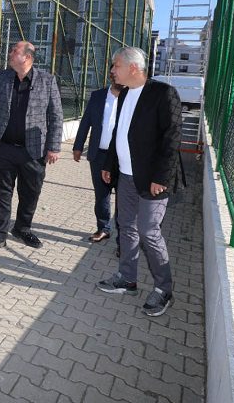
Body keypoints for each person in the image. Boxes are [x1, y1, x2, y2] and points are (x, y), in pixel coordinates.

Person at [97, 47, 182, 317]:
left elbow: (172, 138)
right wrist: (110, 165)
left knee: (149, 232)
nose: (112, 70)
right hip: (126, 176)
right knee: (126, 227)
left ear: (133, 68)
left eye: (116, 66)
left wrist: (161, 177)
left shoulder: (163, 93)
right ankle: (127, 278)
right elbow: (118, 134)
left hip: (152, 180)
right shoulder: (123, 95)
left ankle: (163, 289)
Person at [0, 41, 63, 253]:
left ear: (26, 57)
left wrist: (53, 147)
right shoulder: (2, 78)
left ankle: (22, 228)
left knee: (30, 193)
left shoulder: (47, 81)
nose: (9, 53)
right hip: (4, 148)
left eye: (14, 51)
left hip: (33, 151)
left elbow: (55, 116)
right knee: (1, 193)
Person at [72, 69, 122, 245]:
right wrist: (78, 147)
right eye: (114, 74)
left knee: (123, 198)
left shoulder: (132, 99)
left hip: (121, 158)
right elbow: (86, 121)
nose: (117, 77)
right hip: (98, 155)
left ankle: (123, 239)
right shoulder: (98, 96)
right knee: (101, 195)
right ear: (109, 76)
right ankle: (103, 228)